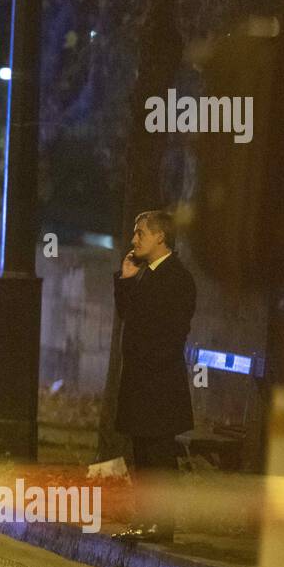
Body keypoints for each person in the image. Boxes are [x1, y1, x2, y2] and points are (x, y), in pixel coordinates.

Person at [111, 209, 196, 545]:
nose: (134, 240)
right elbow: (129, 317)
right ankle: (145, 518)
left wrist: (149, 363)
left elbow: (171, 332)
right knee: (143, 453)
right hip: (140, 381)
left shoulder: (177, 278)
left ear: (161, 236)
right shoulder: (146, 274)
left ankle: (162, 523)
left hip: (159, 383)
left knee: (159, 454)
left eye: (141, 233)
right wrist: (127, 279)